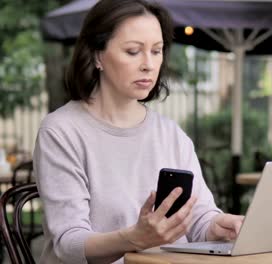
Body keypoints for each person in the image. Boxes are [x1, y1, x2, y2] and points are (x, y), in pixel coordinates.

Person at [33, 0, 243, 263]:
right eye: (133, 51)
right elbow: (69, 243)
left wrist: (218, 225)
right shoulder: (61, 131)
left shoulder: (170, 134)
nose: (149, 64)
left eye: (157, 51)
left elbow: (198, 219)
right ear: (97, 55)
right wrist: (134, 238)